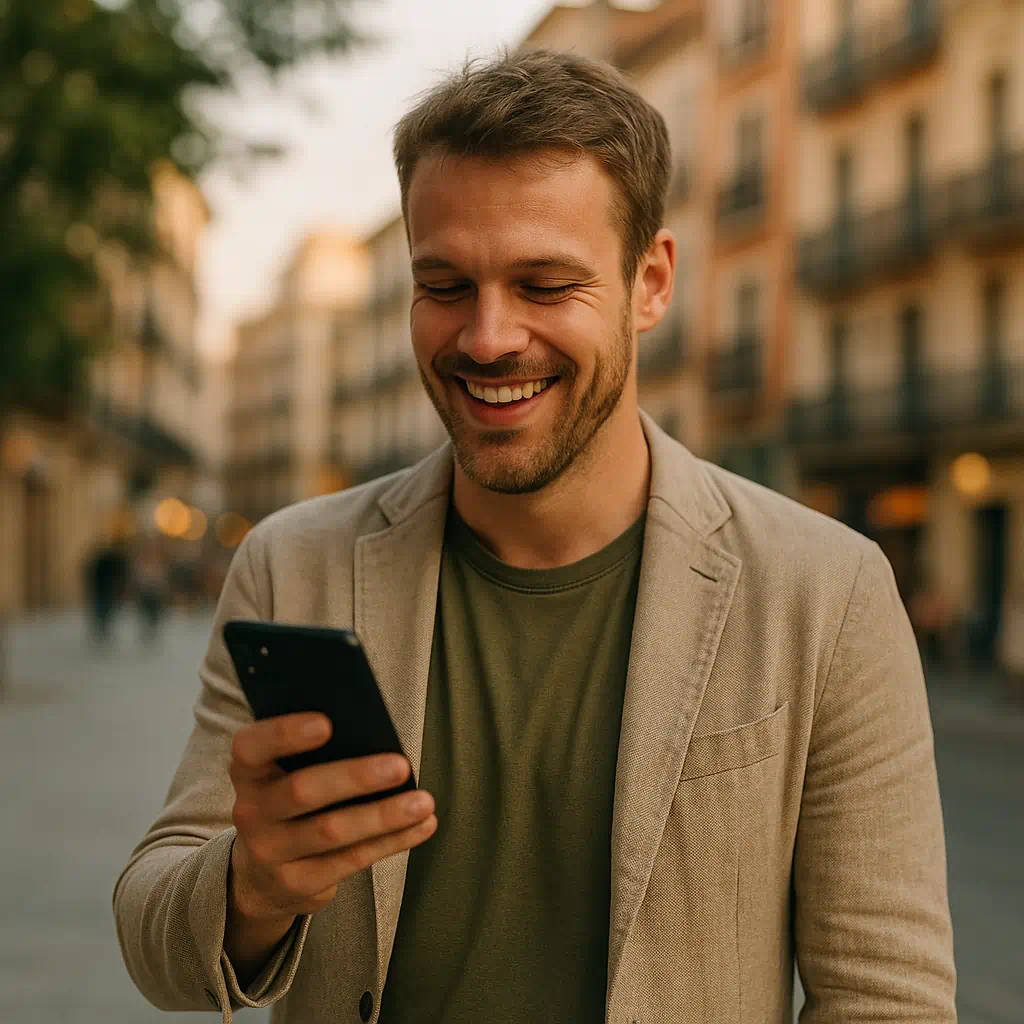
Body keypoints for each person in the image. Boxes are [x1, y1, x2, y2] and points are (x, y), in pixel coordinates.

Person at [114, 50, 956, 1023]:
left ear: (651, 282)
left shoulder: (827, 590)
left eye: (544, 283)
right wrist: (250, 887)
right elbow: (154, 939)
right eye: (445, 285)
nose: (485, 337)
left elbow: (886, 996)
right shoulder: (292, 564)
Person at [82, 539, 128, 647]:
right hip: (104, 590)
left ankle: (103, 630)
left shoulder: (108, 561)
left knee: (105, 611)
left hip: (105, 591)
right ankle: (103, 630)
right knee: (104, 610)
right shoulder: (114, 561)